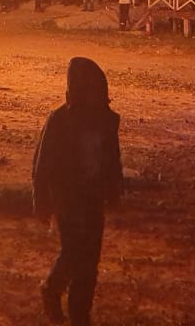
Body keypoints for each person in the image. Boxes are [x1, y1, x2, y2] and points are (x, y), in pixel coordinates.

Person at [33, 57, 123, 326]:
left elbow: (112, 157)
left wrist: (114, 188)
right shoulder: (60, 121)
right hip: (68, 196)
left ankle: (80, 313)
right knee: (73, 251)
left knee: (90, 258)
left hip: (92, 196)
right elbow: (43, 161)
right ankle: (52, 289)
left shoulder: (105, 121)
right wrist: (42, 200)